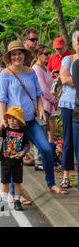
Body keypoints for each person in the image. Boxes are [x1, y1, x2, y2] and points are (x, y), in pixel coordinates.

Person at [0, 40, 67, 195]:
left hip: (30, 121)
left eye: (19, 53)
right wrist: (3, 120)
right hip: (14, 124)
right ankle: (16, 195)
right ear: (9, 57)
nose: (17, 57)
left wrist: (40, 109)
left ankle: (51, 183)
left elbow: (38, 94)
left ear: (24, 54)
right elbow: (1, 100)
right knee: (14, 158)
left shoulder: (30, 72)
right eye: (13, 54)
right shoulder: (5, 74)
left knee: (47, 149)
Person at [0, 106, 30, 211]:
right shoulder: (6, 130)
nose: (11, 120)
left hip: (17, 161)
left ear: (19, 120)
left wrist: (23, 152)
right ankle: (3, 202)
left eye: (14, 118)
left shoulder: (23, 132)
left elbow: (26, 145)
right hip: (5, 161)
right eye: (9, 118)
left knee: (17, 182)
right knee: (5, 182)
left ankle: (17, 201)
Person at [32, 45, 58, 171]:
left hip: (49, 106)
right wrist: (54, 99)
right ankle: (39, 161)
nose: (48, 56)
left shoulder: (46, 69)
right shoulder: (36, 69)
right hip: (42, 106)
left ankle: (48, 159)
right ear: (38, 55)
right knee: (41, 133)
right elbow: (42, 89)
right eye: (45, 54)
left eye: (49, 53)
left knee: (50, 134)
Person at [59, 31, 79, 189]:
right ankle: (65, 175)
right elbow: (64, 79)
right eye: (77, 42)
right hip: (68, 104)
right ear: (73, 44)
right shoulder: (68, 59)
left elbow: (70, 80)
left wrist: (74, 80)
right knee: (68, 139)